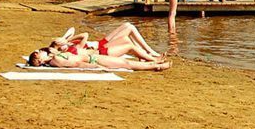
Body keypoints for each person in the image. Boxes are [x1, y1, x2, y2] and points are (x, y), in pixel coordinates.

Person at [52, 23, 163, 62]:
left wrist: (65, 39)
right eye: (61, 48)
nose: (63, 47)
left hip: (101, 44)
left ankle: (146, 53)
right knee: (129, 32)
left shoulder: (70, 46)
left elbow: (71, 30)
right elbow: (85, 35)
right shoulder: (73, 49)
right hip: (102, 47)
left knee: (128, 26)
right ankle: (149, 53)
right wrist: (66, 41)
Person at [28, 47, 170, 71]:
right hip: (93, 60)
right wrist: (98, 67)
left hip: (93, 58)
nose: (41, 51)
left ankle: (155, 62)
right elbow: (77, 63)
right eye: (38, 53)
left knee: (124, 62)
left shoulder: (53, 58)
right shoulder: (55, 61)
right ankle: (155, 66)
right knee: (125, 63)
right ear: (39, 60)